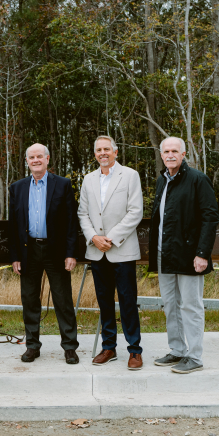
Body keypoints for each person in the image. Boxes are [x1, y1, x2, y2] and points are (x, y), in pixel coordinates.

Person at [149, 137, 219, 374]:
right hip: (164, 254)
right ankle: (177, 350)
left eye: (174, 151)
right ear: (161, 154)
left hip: (190, 255)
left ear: (183, 153)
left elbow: (210, 218)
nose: (170, 155)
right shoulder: (162, 180)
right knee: (170, 305)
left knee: (190, 305)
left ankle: (194, 356)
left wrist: (202, 254)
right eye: (166, 151)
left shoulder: (197, 179)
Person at [8, 143, 80, 364]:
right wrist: (15, 256)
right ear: (27, 161)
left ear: (48, 159)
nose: (36, 160)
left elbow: (71, 222)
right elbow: (13, 225)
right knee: (30, 299)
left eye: (40, 156)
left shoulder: (63, 184)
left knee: (63, 299)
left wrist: (71, 253)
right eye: (32, 157)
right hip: (28, 250)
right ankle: (32, 346)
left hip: (55, 250)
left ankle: (69, 347)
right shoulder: (17, 187)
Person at [77, 136, 144, 370]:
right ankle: (108, 347)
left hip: (121, 250)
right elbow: (82, 213)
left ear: (115, 152)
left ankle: (134, 350)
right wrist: (94, 238)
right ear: (95, 154)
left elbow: (135, 212)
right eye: (98, 150)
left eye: (107, 149)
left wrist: (111, 238)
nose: (103, 153)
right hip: (97, 252)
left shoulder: (130, 175)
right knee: (105, 302)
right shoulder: (88, 179)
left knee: (127, 302)